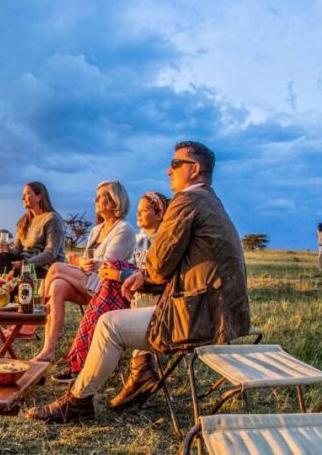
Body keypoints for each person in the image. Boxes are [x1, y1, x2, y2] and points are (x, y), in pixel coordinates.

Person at [27, 141, 251, 423]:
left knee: (109, 324)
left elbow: (158, 266)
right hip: (225, 316)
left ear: (194, 170)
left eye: (176, 164)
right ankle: (139, 369)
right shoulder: (212, 202)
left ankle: (78, 401)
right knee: (132, 302)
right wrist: (141, 276)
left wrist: (135, 276)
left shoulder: (187, 202)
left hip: (201, 319)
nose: (169, 170)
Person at [53, 192, 169, 403]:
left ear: (159, 213)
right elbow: (136, 271)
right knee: (67, 284)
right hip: (134, 297)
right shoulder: (139, 239)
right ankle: (136, 366)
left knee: (62, 273)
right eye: (138, 211)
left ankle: (83, 367)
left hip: (154, 304)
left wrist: (117, 274)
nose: (139, 214)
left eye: (144, 210)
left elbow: (155, 277)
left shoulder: (161, 240)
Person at [32, 180, 136, 362]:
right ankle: (48, 350)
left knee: (56, 267)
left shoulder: (125, 230)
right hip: (89, 285)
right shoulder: (97, 229)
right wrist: (82, 262)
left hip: (108, 290)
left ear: (114, 201)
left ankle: (35, 317)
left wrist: (83, 261)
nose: (95, 199)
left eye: (101, 196)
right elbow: (87, 263)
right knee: (57, 285)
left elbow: (107, 266)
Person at [0, 181, 66, 279]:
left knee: (8, 272)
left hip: (43, 267)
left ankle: (2, 290)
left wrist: (24, 264)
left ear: (39, 196)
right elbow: (17, 250)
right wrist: (7, 249)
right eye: (23, 195)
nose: (22, 198)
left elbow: (51, 253)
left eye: (27, 194)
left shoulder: (52, 219)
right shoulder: (24, 221)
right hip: (24, 261)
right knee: (0, 258)